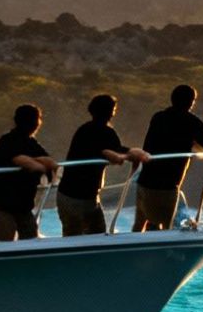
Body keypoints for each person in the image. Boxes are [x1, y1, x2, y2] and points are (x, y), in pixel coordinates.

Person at [134, 84, 203, 231]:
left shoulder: (158, 118)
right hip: (167, 187)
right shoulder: (191, 122)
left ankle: (137, 247)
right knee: (168, 227)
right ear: (191, 102)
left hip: (144, 182)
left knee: (140, 224)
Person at [57, 94, 150, 236]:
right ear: (110, 112)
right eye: (113, 109)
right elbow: (115, 155)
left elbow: (116, 149)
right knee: (96, 235)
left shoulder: (83, 129)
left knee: (74, 237)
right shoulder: (106, 132)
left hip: (66, 194)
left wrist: (131, 153)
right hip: (82, 198)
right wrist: (130, 156)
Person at [0, 103, 57, 242]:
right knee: (5, 244)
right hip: (4, 204)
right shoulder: (7, 140)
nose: (37, 123)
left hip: (24, 205)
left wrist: (39, 162)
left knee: (31, 238)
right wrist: (39, 165)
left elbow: (49, 161)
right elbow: (20, 159)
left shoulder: (31, 142)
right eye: (35, 119)